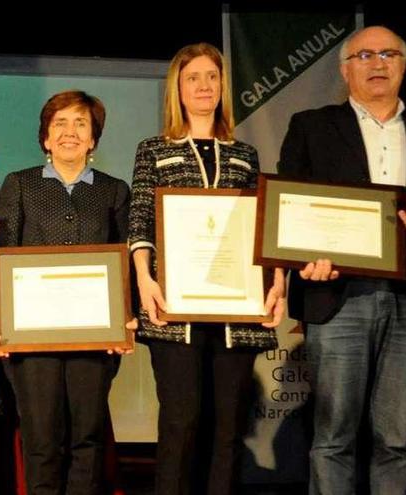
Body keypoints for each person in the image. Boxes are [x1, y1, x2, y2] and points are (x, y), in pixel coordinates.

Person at [277, 26, 406, 495]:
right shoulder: (311, 125)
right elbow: (290, 208)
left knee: (396, 438)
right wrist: (305, 260)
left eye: (387, 54)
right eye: (363, 55)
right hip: (338, 297)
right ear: (345, 70)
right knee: (333, 437)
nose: (376, 63)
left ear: (403, 65)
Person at [128, 42, 285, 494]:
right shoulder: (154, 150)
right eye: (193, 77)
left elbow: (262, 229)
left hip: (238, 314)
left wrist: (277, 284)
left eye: (212, 77)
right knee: (180, 423)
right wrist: (144, 278)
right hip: (175, 313)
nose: (203, 86)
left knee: (227, 431)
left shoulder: (245, 154)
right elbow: (141, 218)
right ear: (177, 87)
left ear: (222, 88)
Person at [0, 90, 130, 495]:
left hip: (94, 339)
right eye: (60, 123)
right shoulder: (21, 184)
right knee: (41, 441)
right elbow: (2, 252)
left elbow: (124, 260)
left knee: (87, 440)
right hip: (32, 338)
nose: (70, 132)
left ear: (94, 138)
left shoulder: (114, 190)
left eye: (81, 123)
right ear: (45, 137)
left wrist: (126, 320)